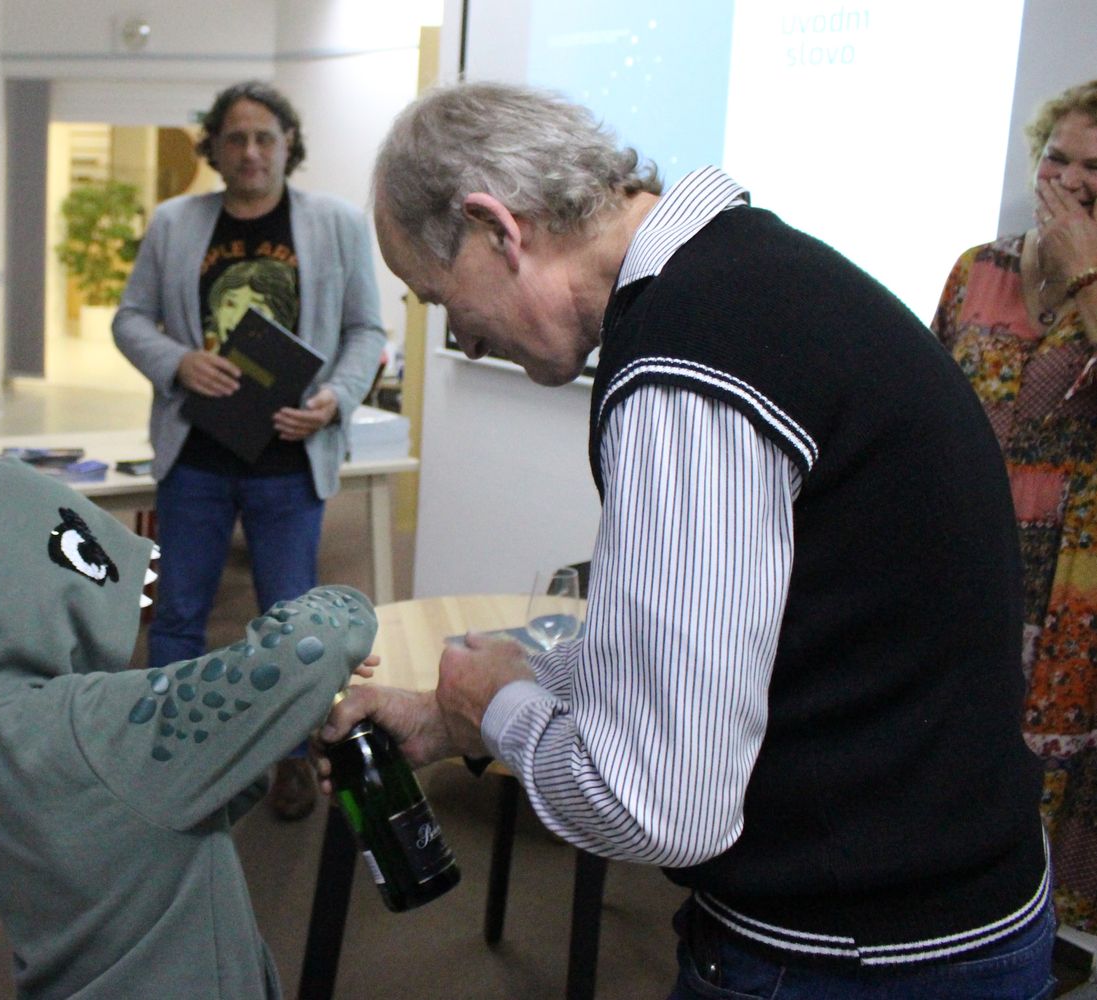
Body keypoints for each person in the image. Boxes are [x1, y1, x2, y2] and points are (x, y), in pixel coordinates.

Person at [317, 81, 1055, 998]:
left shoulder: (686, 362)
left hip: (852, 951)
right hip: (948, 902)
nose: (459, 338)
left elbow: (661, 805)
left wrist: (499, 709)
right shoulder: (756, 280)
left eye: (438, 298)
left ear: (496, 229)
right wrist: (449, 713)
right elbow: (742, 649)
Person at [0, 452, 378, 999]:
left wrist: (257, 737)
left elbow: (142, 813)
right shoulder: (96, 724)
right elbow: (314, 646)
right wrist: (343, 603)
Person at [114, 80, 386, 820]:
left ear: (289, 144)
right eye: (235, 137)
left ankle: (293, 757)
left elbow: (366, 328)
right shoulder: (175, 223)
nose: (251, 151)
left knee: (292, 627)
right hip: (196, 457)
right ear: (214, 147)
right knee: (177, 615)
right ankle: (165, 751)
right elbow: (131, 318)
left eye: (266, 136)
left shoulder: (335, 223)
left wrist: (337, 397)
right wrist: (178, 361)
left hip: (289, 459)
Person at [933, 79, 1097, 936]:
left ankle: (1026, 942)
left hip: (1071, 587)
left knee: (1042, 791)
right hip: (965, 562)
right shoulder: (978, 268)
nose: (1068, 180)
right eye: (1056, 158)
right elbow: (924, 404)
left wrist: (1086, 272)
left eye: (1094, 168)